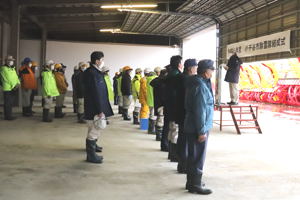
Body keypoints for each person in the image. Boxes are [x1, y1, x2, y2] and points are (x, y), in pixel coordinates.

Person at [184, 59, 215, 195]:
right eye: (211, 70)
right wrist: (201, 131)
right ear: (205, 71)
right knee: (198, 157)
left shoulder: (198, 82)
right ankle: (195, 185)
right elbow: (200, 110)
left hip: (194, 125)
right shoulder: (200, 86)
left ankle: (192, 182)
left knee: (193, 155)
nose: (213, 72)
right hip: (197, 127)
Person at [83, 51, 113, 164]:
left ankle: (93, 150)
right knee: (94, 130)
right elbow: (96, 93)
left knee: (92, 128)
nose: (102, 61)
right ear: (97, 61)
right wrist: (100, 110)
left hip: (93, 105)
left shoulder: (94, 72)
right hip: (94, 107)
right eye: (102, 59)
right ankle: (91, 156)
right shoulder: (93, 74)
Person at [174, 59, 198, 174]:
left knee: (181, 138)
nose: (196, 70)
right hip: (185, 113)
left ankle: (181, 164)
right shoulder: (188, 80)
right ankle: (183, 165)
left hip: (179, 112)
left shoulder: (179, 77)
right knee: (185, 140)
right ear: (190, 68)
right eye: (195, 67)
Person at [165, 55, 183, 162]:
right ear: (178, 64)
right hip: (175, 106)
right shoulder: (176, 75)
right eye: (181, 62)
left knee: (171, 129)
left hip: (169, 106)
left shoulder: (170, 74)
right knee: (175, 130)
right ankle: (174, 155)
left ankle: (170, 153)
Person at [0, 55, 20, 120]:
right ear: (6, 61)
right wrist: (15, 85)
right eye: (10, 60)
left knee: (10, 103)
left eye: (12, 60)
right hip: (8, 88)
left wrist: (18, 83)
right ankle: (8, 116)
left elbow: (16, 77)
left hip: (13, 87)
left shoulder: (12, 68)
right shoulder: (4, 68)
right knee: (7, 103)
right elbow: (8, 78)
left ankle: (9, 115)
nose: (11, 62)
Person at [150, 68, 167, 143]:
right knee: (160, 119)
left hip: (157, 102)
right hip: (162, 103)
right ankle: (159, 135)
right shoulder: (163, 83)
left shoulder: (156, 81)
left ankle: (157, 134)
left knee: (159, 118)